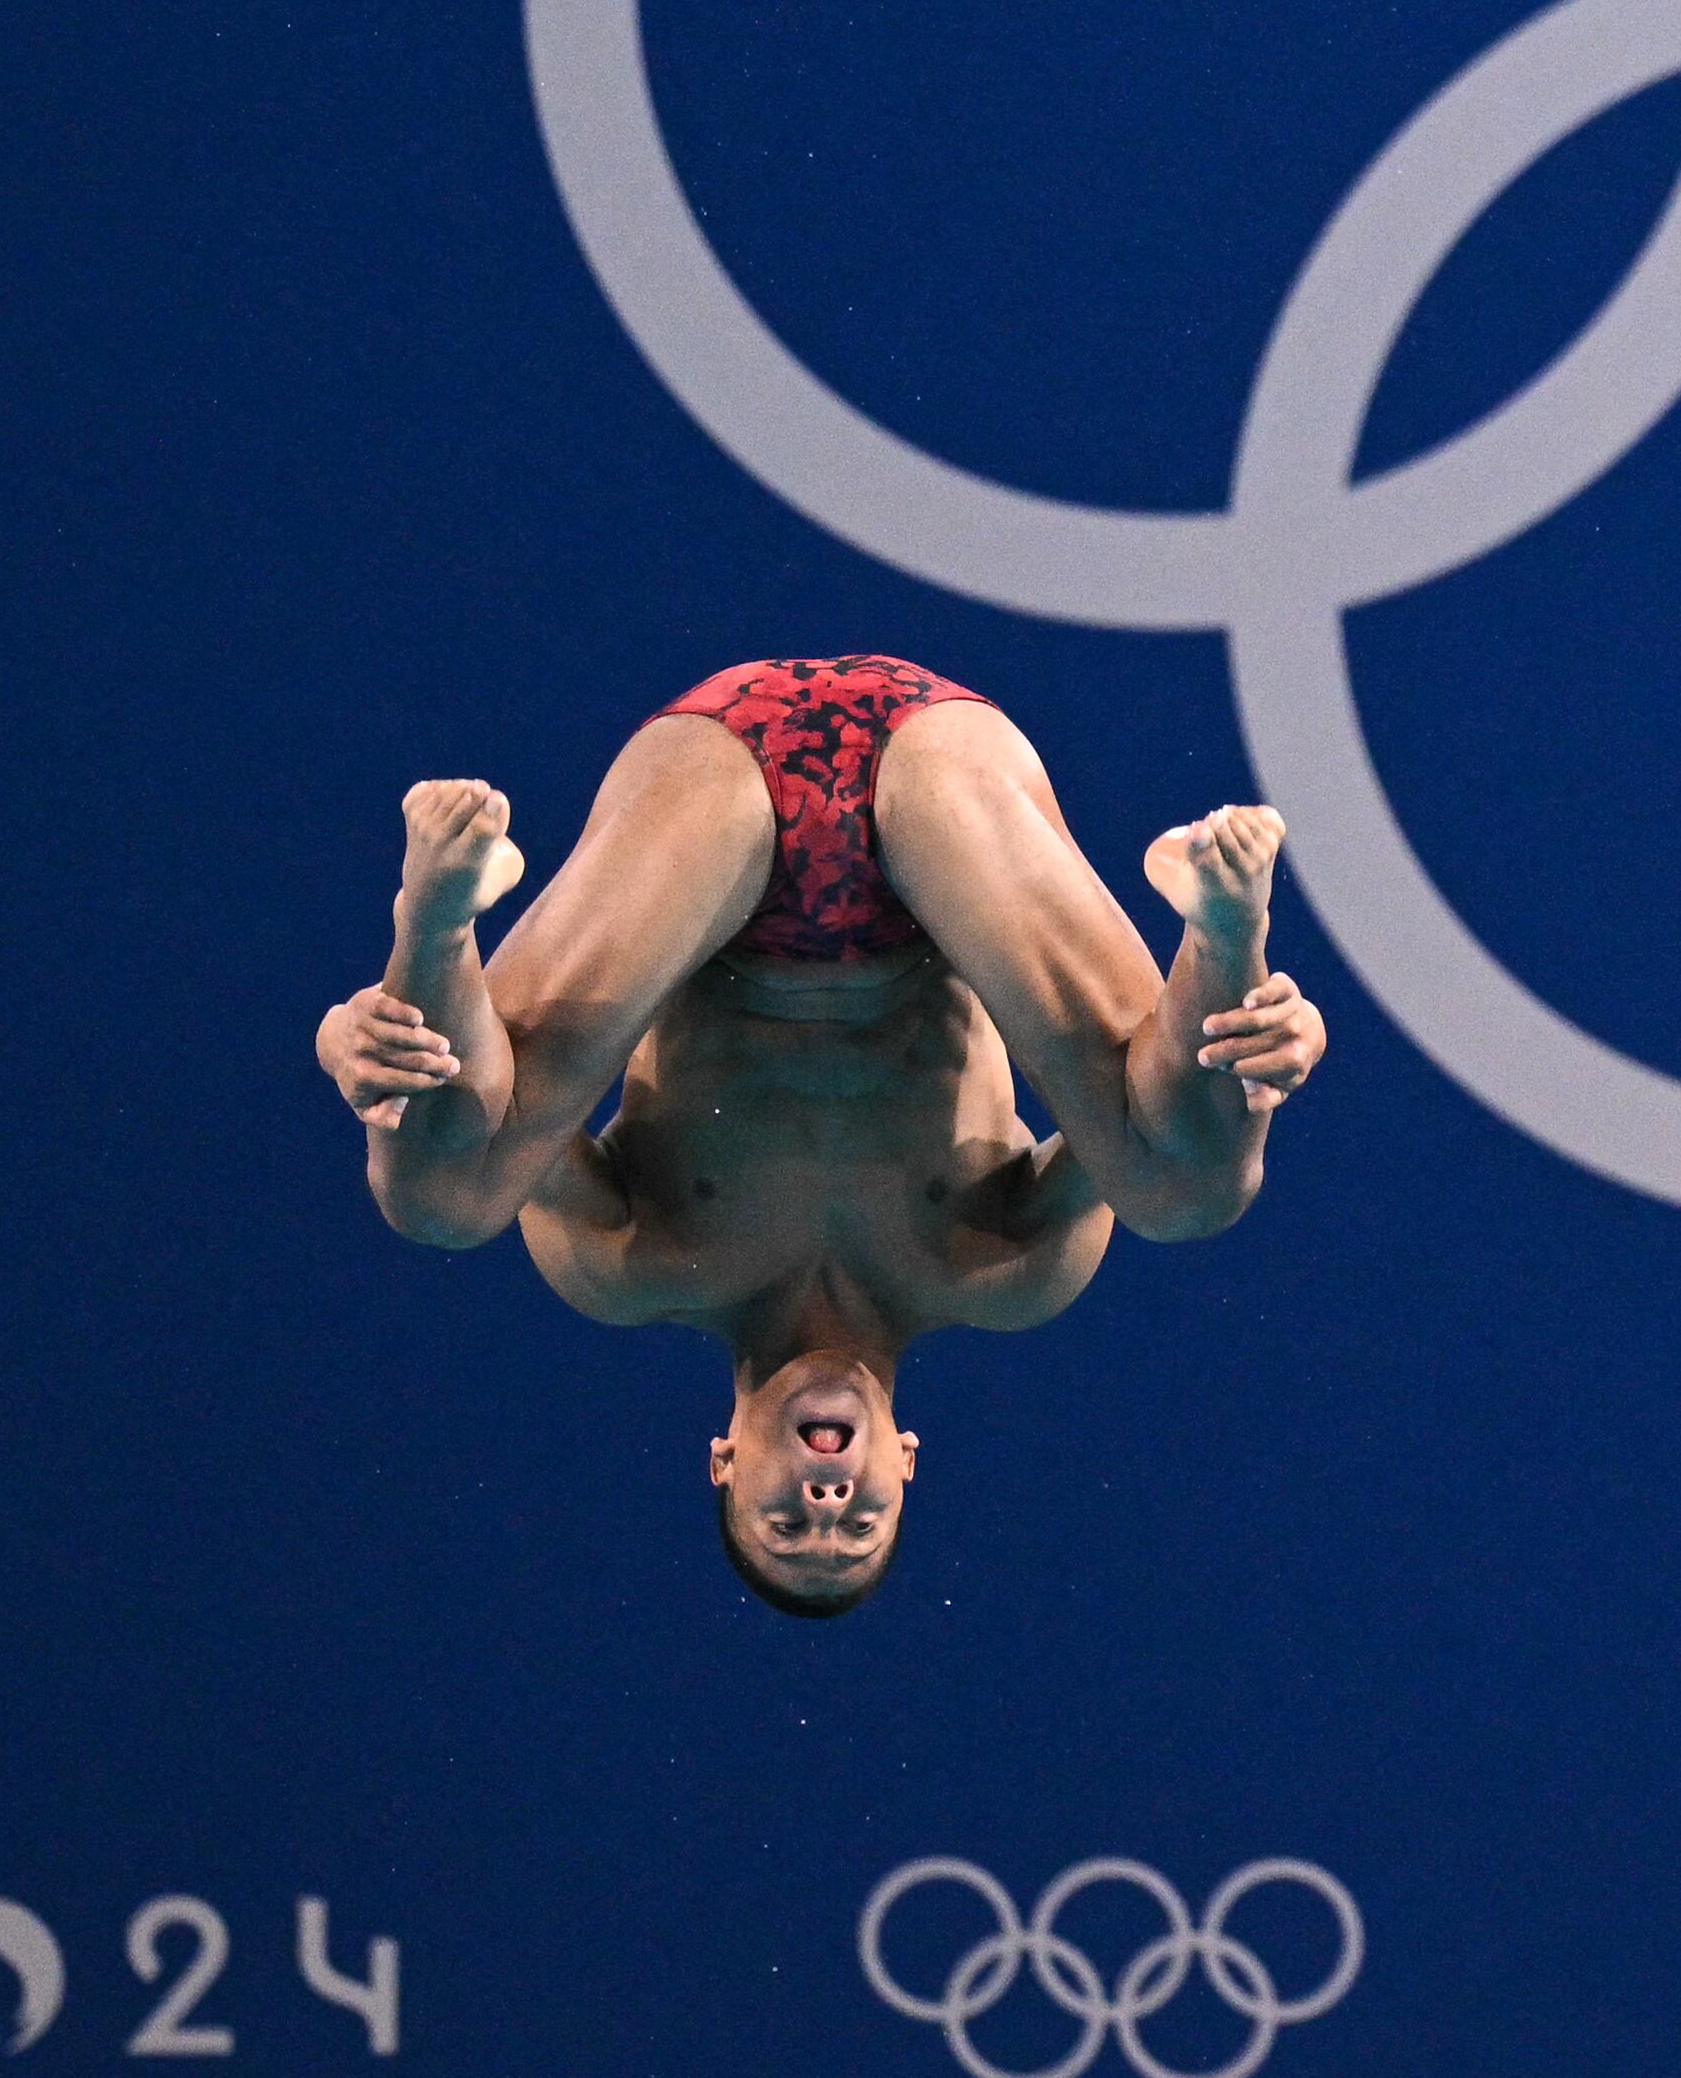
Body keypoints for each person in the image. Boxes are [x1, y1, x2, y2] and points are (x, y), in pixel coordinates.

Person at [311, 657, 1326, 1615]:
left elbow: (484, 1121)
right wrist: (1281, 1042)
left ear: (725, 1458)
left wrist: (338, 1039)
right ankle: (1224, 939)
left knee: (443, 1204)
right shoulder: (1005, 1272)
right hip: (941, 800)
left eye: (784, 1518)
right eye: (861, 1519)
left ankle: (434, 924)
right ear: (906, 1459)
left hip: (711, 806)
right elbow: (1157, 1118)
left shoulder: (634, 1264)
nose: (826, 1503)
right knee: (1183, 1197)